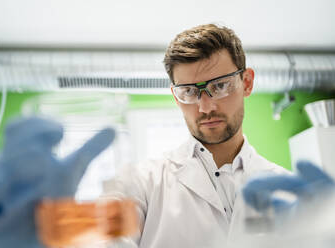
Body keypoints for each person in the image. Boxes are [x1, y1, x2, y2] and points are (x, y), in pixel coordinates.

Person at [101, 23, 288, 247]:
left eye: (220, 86)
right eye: (189, 91)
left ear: (246, 83)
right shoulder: (142, 183)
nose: (205, 107)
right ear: (176, 96)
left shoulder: (288, 189)